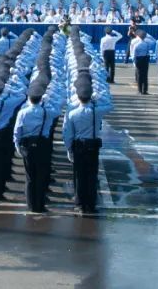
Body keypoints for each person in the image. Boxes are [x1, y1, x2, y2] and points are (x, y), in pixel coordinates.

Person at [12, 80, 55, 213]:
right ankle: (40, 205)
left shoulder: (23, 113)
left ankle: (31, 205)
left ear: (29, 98)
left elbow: (17, 131)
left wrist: (18, 146)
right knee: (41, 175)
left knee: (30, 177)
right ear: (41, 98)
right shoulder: (46, 111)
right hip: (42, 144)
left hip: (27, 146)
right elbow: (48, 129)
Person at [63, 78, 102, 214]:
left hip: (79, 147)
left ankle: (79, 203)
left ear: (78, 98)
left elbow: (68, 134)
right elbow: (110, 105)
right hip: (92, 147)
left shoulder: (72, 113)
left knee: (79, 176)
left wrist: (69, 149)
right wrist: (97, 100)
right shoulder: (97, 111)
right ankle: (91, 204)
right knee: (92, 175)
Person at [129, 28, 154, 95]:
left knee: (139, 75)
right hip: (145, 59)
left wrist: (134, 61)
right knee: (145, 75)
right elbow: (154, 41)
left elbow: (133, 53)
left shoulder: (135, 43)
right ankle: (145, 90)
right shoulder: (147, 43)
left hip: (138, 59)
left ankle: (139, 90)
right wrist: (148, 35)